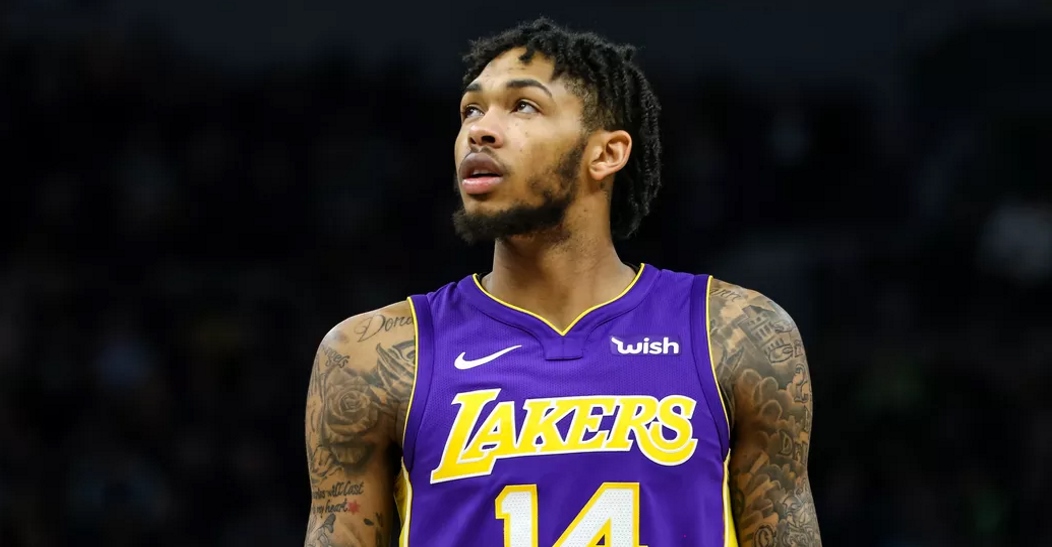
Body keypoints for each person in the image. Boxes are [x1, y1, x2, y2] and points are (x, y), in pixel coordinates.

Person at [304, 17, 821, 547]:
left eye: (524, 106)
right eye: (471, 110)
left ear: (606, 153)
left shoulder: (733, 334)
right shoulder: (373, 355)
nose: (479, 130)